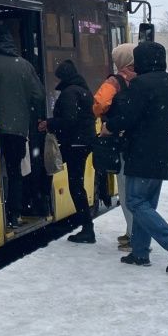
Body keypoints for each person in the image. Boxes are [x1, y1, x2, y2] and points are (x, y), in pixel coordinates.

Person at [105, 40, 168, 273]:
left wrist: (110, 126)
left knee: (135, 202)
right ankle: (140, 252)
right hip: (163, 153)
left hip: (142, 151)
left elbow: (128, 117)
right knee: (147, 204)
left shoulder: (140, 84)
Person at [0, 23, 46, 230]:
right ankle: (14, 215)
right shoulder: (23, 65)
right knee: (14, 173)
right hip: (16, 130)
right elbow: (39, 95)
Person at [39, 60, 97, 243]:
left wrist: (49, 123)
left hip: (75, 144)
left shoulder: (70, 93)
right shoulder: (83, 89)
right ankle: (87, 227)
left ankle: (87, 229)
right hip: (83, 142)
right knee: (75, 183)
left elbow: (69, 120)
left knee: (75, 185)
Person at [94, 43, 136, 252]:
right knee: (137, 191)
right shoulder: (141, 78)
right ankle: (132, 232)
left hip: (119, 140)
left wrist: (105, 117)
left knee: (125, 190)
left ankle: (133, 234)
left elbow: (99, 103)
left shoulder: (115, 80)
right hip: (137, 140)